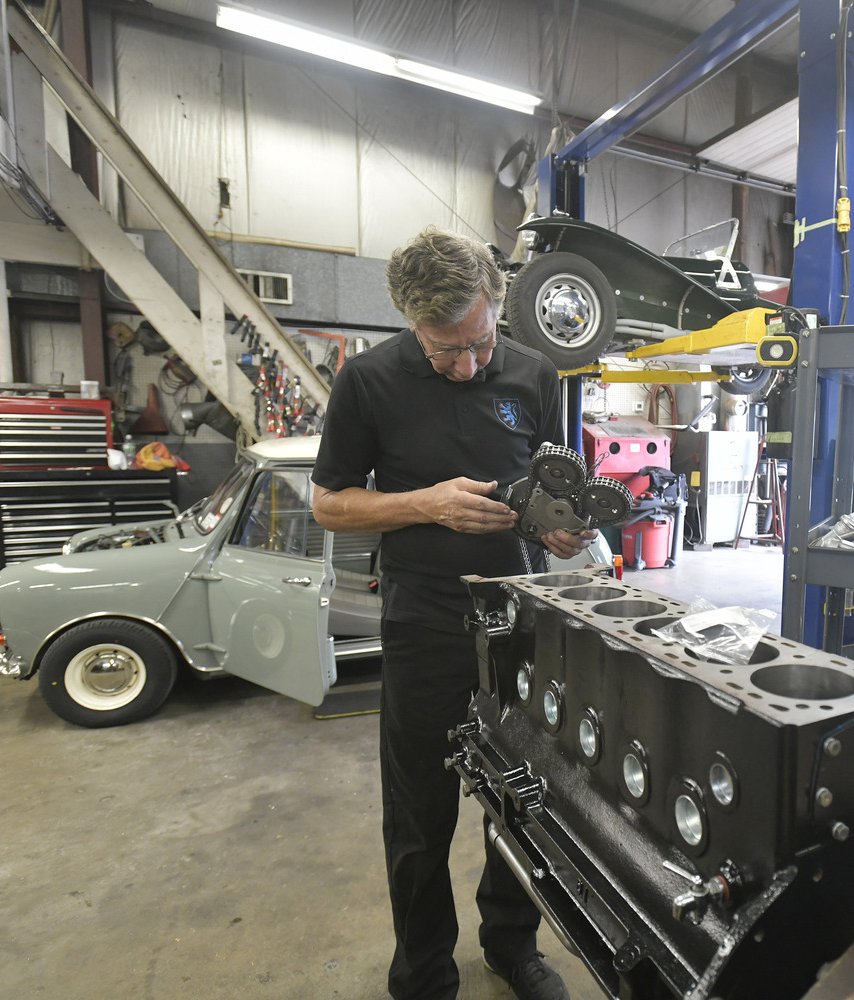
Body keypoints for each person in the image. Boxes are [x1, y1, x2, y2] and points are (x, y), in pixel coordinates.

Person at [311, 227, 590, 1000]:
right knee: (420, 807)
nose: (466, 365)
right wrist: (424, 505)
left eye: (479, 342)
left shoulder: (537, 373)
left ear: (497, 306)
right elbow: (330, 503)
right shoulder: (367, 382)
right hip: (423, 621)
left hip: (519, 617)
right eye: (444, 351)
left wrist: (561, 528)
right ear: (409, 322)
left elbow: (552, 491)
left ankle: (511, 943)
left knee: (523, 795)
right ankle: (425, 969)